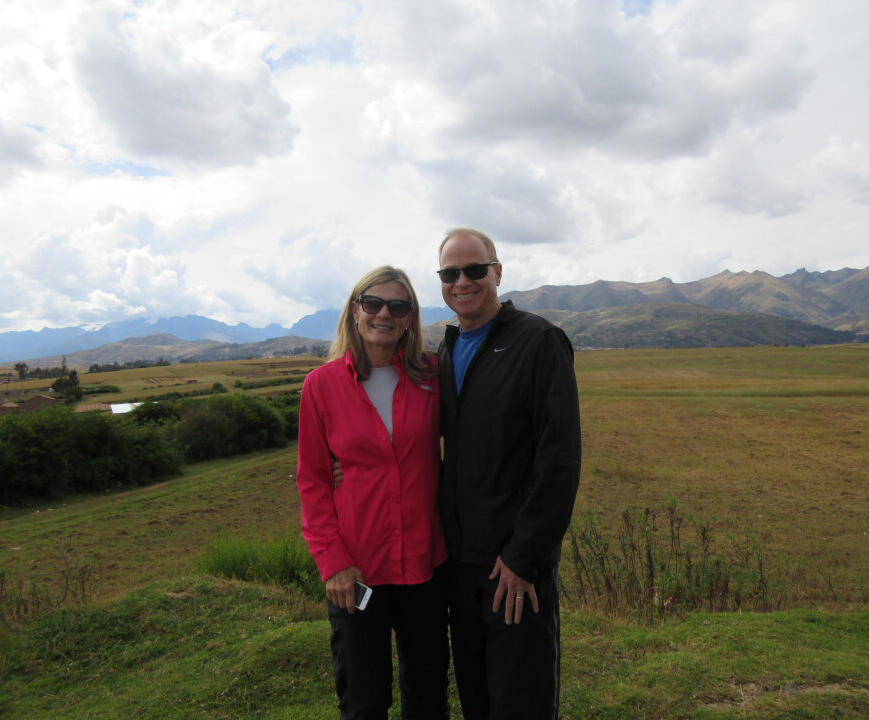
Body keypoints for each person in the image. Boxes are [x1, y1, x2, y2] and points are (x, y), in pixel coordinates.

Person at [436, 228, 581, 720]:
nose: (462, 282)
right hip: (459, 564)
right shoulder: (447, 350)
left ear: (497, 272)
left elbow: (558, 460)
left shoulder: (539, 341)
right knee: (477, 697)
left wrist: (524, 556)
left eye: (474, 270)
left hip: (514, 569)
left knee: (522, 700)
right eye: (450, 273)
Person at [296, 266, 449, 720]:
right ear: (355, 310)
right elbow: (313, 481)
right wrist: (333, 562)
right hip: (357, 569)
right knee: (363, 698)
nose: (385, 313)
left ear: (410, 318)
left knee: (428, 691)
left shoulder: (433, 375)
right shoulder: (320, 386)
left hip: (426, 561)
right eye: (374, 303)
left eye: (398, 306)